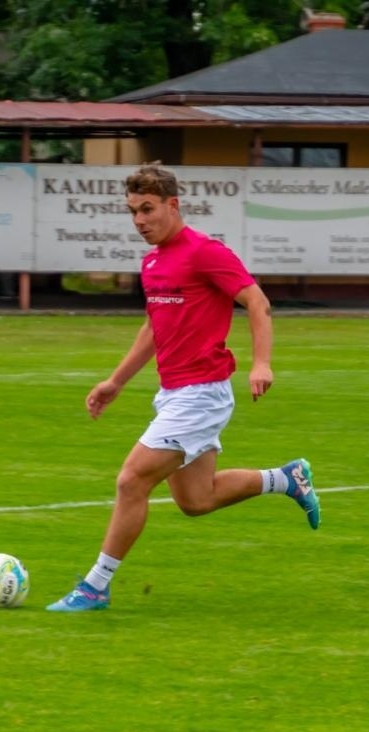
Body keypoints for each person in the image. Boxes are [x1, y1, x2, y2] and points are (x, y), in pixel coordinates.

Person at [46, 162, 320, 612]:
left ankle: (95, 586)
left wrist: (262, 363)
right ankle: (286, 479)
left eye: (148, 209)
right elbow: (156, 326)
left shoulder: (204, 252)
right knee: (197, 499)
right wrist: (117, 380)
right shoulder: (152, 262)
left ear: (172, 206)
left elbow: (257, 301)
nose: (139, 221)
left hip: (201, 394)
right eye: (133, 211)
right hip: (173, 393)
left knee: (131, 480)